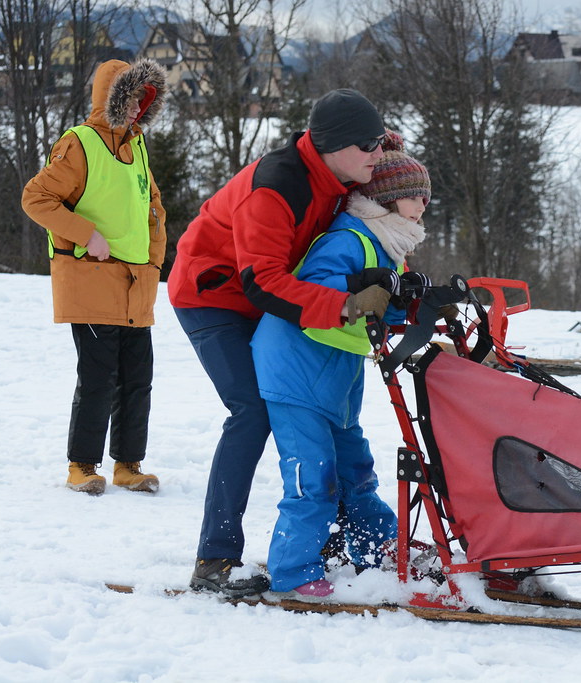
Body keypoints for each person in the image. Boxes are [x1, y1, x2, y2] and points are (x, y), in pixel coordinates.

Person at [167, 89, 387, 597]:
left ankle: (329, 539)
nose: (379, 153)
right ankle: (215, 557)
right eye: (370, 144)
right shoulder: (276, 186)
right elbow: (262, 281)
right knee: (253, 411)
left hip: (268, 303)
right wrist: (344, 307)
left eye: (381, 141)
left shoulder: (340, 172)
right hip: (213, 298)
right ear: (334, 146)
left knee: (318, 406)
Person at [251, 133, 431, 601]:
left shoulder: (386, 243)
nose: (423, 207)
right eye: (415, 196)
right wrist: (362, 285)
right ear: (388, 199)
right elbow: (316, 293)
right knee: (314, 476)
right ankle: (291, 572)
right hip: (296, 375)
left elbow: (375, 313)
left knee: (357, 472)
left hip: (335, 380)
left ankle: (378, 549)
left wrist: (402, 299)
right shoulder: (348, 237)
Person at [21, 59, 168, 496]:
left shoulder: (137, 146)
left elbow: (153, 209)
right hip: (92, 278)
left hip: (135, 284)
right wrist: (88, 234)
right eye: (131, 97)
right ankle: (81, 467)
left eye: (145, 98)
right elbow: (36, 198)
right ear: (113, 98)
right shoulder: (79, 144)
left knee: (138, 377)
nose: (138, 107)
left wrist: (154, 261)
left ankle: (128, 465)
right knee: (99, 376)